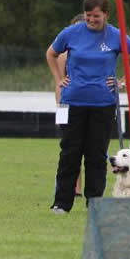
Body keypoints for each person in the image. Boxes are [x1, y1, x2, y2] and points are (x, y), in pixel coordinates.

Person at [46, 0, 130, 214]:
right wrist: (59, 79)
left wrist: (121, 82)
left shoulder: (115, 36)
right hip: (73, 103)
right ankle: (62, 203)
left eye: (96, 16)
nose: (91, 20)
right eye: (88, 15)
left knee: (96, 155)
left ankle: (95, 204)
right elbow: (50, 54)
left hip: (103, 104)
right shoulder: (71, 33)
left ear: (106, 14)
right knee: (70, 153)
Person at [55, 13, 86, 198]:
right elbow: (59, 82)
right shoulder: (64, 55)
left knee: (85, 148)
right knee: (70, 148)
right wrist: (60, 108)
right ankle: (71, 187)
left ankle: (79, 188)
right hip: (68, 104)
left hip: (88, 103)